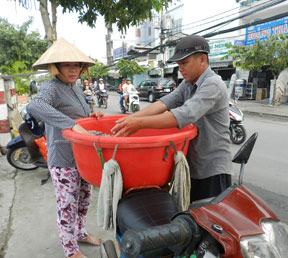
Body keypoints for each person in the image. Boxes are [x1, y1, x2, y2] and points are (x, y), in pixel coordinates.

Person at [111, 35, 232, 202]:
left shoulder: (213, 84)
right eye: (178, 64)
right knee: (191, 217)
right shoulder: (188, 83)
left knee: (212, 220)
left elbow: (184, 114)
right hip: (194, 164)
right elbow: (163, 103)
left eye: (184, 63)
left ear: (202, 60)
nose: (180, 68)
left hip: (213, 168)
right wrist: (129, 119)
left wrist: (139, 124)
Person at [27, 38, 103, 258]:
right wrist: (73, 125)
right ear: (56, 67)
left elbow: (79, 117)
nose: (73, 69)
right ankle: (70, 250)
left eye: (77, 65)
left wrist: (91, 117)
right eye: (67, 65)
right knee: (67, 204)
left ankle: (80, 234)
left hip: (83, 157)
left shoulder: (76, 88)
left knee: (84, 199)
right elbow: (35, 105)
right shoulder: (51, 87)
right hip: (62, 157)